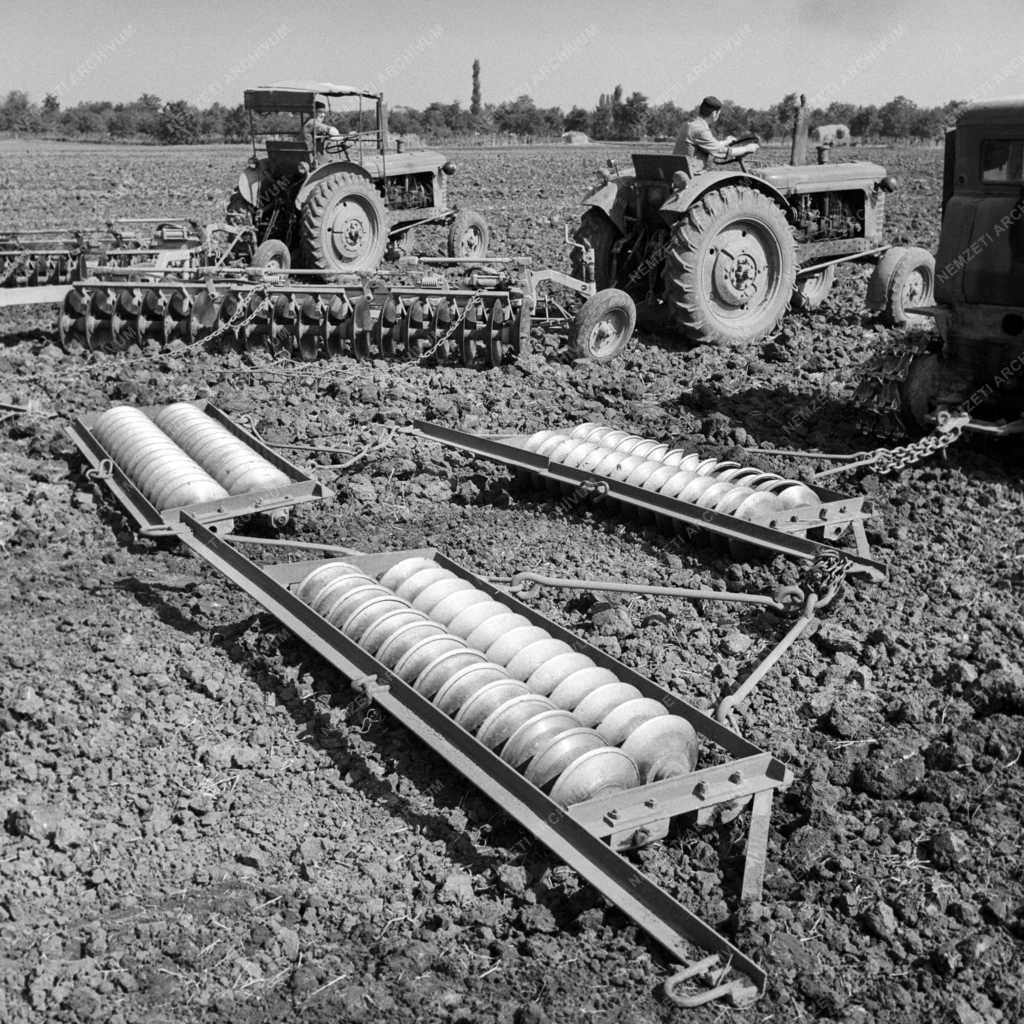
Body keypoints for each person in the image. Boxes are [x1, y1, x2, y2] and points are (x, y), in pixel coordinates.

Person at [673, 96, 757, 171]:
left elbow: (710, 145)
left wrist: (726, 142)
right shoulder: (700, 130)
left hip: (681, 169)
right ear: (714, 113)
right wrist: (747, 149)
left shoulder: (689, 125)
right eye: (719, 114)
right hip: (692, 172)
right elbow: (719, 152)